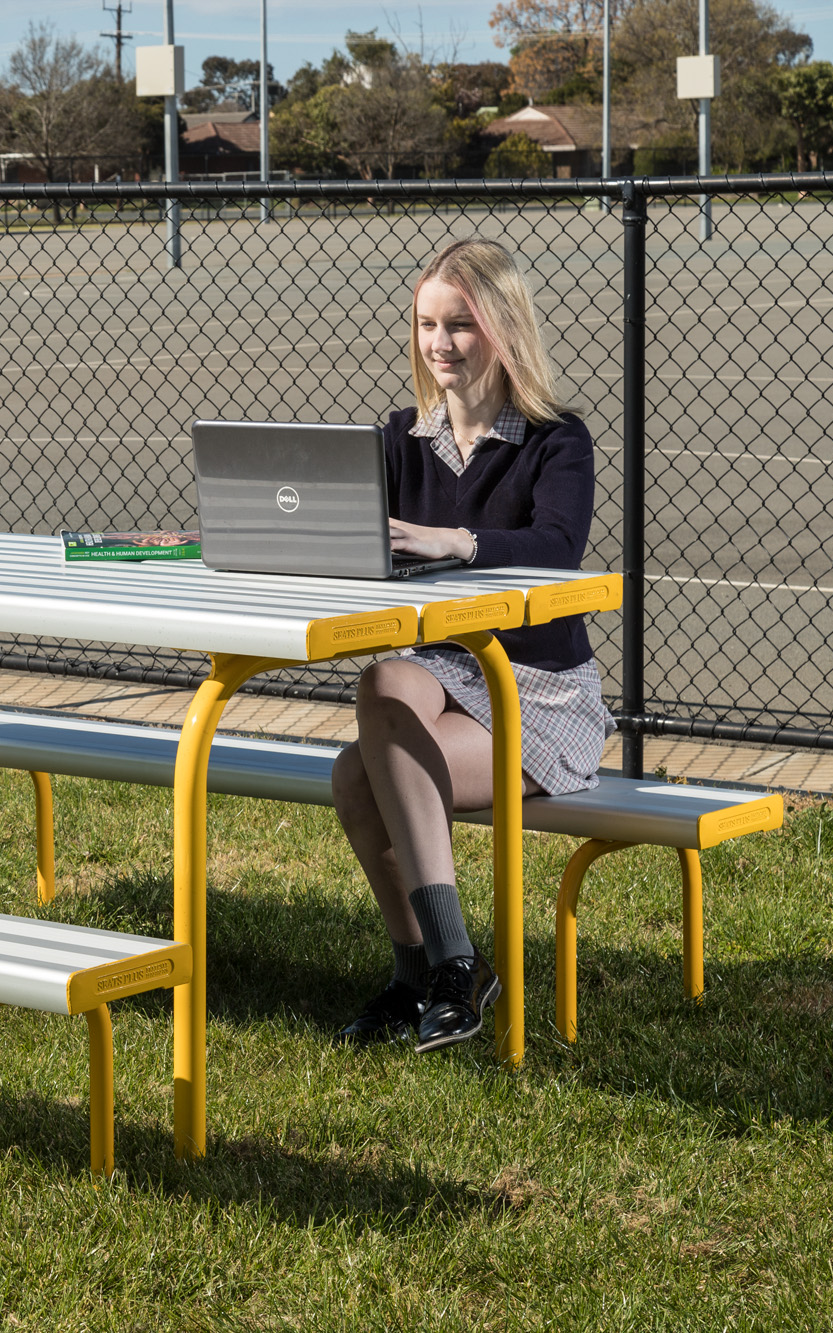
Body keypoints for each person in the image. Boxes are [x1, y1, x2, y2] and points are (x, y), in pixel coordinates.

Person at [331, 237, 611, 1053]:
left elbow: (558, 547)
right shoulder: (401, 437)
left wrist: (457, 542)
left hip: (538, 689)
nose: (440, 343)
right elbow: (353, 538)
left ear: (502, 327)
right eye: (427, 324)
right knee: (383, 683)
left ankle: (437, 971)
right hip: (444, 668)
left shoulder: (556, 439)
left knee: (358, 776)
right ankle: (441, 967)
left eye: (459, 324)